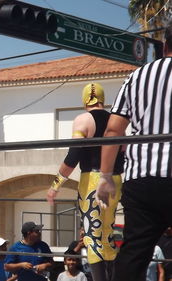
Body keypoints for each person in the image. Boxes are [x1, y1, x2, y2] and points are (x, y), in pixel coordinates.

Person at [95, 22, 172, 281]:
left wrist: (105, 176)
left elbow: (113, 130)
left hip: (141, 179)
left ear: (164, 45)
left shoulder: (137, 76)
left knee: (134, 252)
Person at [46, 82, 124, 281]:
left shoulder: (83, 120)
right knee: (108, 235)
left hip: (92, 180)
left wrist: (55, 186)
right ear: (103, 99)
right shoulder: (116, 121)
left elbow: (73, 155)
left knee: (92, 237)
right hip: (115, 179)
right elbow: (124, 154)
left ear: (84, 100)